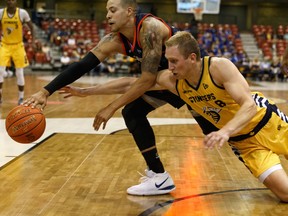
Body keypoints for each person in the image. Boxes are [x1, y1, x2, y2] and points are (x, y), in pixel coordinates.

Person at [23, 0, 212, 196]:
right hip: (168, 80)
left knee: (219, 132)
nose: (108, 15)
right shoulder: (113, 40)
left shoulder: (150, 29)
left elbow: (145, 80)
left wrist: (110, 107)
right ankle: (159, 176)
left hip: (196, 77)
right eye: (107, 11)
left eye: (113, 10)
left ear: (129, 11)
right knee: (132, 112)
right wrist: (46, 91)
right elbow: (82, 65)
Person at [153, 31, 288, 202]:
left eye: (174, 61)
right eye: (168, 61)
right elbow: (134, 83)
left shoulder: (218, 67)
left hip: (269, 123)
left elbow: (249, 106)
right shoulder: (173, 82)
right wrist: (111, 106)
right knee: (285, 194)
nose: (170, 67)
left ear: (192, 58)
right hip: (246, 145)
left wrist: (224, 131)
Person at [0, 0, 34, 105]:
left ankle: (21, 97)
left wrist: (32, 41)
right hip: (4, 44)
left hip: (18, 45)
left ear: (16, 2)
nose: (10, 1)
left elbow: (31, 27)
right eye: (8, 0)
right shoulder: (1, 12)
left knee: (19, 72)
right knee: (0, 71)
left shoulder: (22, 13)